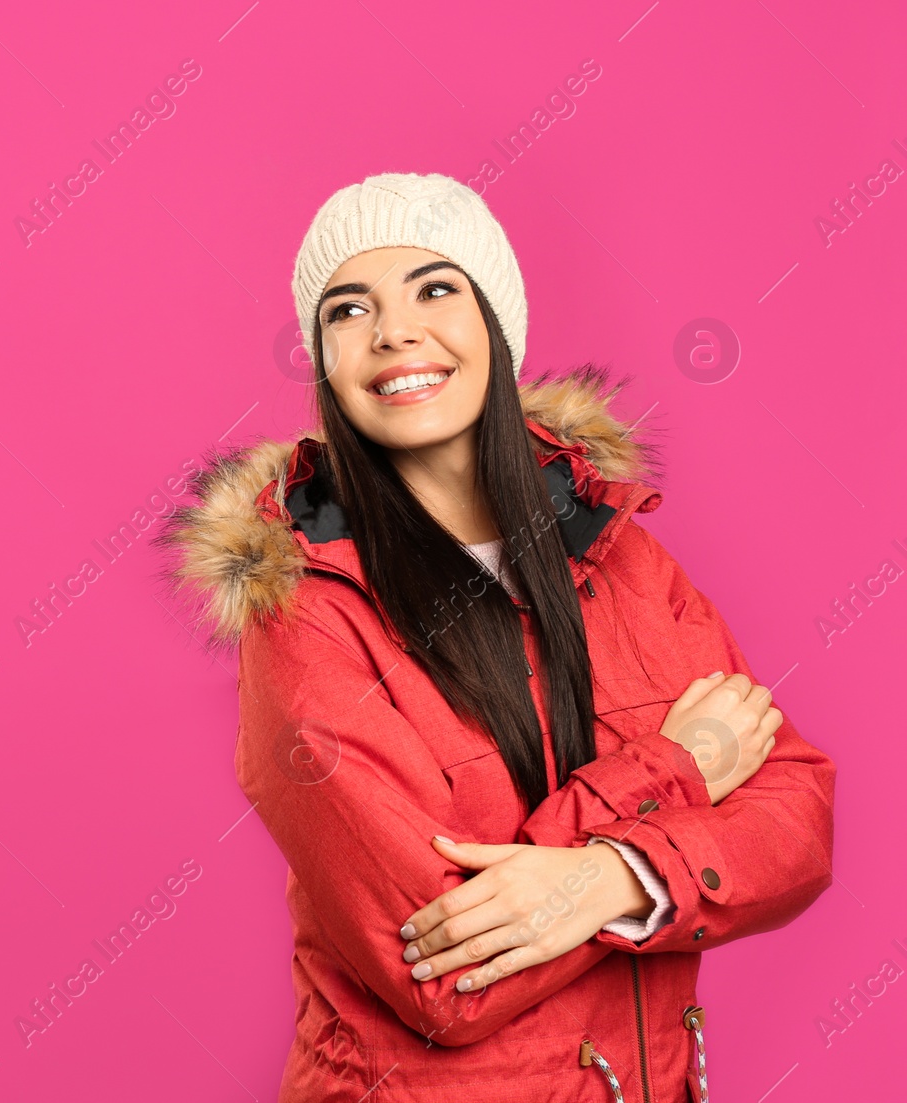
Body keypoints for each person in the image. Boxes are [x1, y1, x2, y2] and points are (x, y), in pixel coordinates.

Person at [152, 172, 836, 1102]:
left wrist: (607, 878)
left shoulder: (622, 555)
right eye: (349, 309)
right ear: (325, 361)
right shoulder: (305, 608)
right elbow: (441, 967)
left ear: (498, 325)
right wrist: (671, 778)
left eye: (436, 288)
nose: (394, 331)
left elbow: (796, 818)